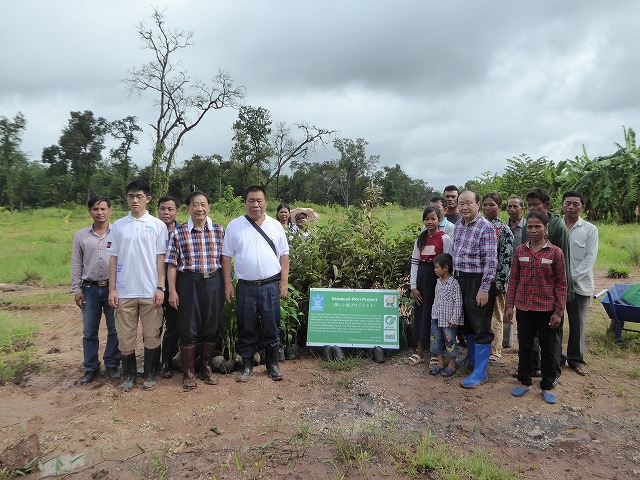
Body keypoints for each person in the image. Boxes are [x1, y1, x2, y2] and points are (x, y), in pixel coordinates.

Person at [221, 186, 290, 382]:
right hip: (245, 287)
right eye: (251, 201)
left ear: (266, 203)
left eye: (259, 200)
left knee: (271, 325)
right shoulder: (235, 226)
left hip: (270, 286)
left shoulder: (275, 225)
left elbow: (284, 255)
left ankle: (273, 365)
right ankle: (247, 367)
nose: (255, 205)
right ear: (245, 203)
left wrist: (283, 282)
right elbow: (226, 256)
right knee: (246, 326)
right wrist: (228, 284)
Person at [107, 179, 168, 391]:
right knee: (125, 336)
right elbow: (113, 259)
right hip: (124, 292)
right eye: (131, 196)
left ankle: (150, 373)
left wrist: (161, 287)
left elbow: (161, 259)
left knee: (152, 334)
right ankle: (129, 375)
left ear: (148, 199)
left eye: (139, 196)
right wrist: (112, 289)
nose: (135, 200)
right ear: (126, 198)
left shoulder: (158, 226)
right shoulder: (118, 226)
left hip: (150, 291)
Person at [506, 211, 567, 404]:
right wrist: (510, 306)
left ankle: (547, 385)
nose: (533, 230)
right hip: (524, 307)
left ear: (545, 229)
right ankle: (525, 382)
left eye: (537, 226)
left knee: (548, 348)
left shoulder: (555, 252)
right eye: (529, 227)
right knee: (525, 346)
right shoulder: (520, 252)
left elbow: (561, 284)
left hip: (547, 309)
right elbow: (514, 279)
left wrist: (558, 311)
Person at [166, 191, 225, 390]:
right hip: (189, 282)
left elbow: (225, 261)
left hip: (214, 281)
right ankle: (188, 372)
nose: (199, 208)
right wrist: (172, 291)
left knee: (211, 326)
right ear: (188, 208)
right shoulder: (179, 232)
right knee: (188, 328)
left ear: (209, 207)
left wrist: (226, 285)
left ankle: (206, 369)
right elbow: (172, 265)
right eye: (195, 205)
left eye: (203, 204)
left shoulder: (219, 230)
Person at [71, 196, 121, 385]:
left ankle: (112, 364)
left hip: (112, 287)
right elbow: (76, 264)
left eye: (103, 209)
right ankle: (91, 367)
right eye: (95, 209)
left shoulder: (118, 233)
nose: (99, 212)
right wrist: (76, 289)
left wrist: (118, 288)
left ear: (110, 210)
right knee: (89, 331)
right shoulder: (81, 236)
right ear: (89, 212)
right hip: (90, 289)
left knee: (114, 329)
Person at [523, 188, 572, 381]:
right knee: (532, 333)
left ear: (547, 205)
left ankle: (553, 370)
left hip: (552, 292)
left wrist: (562, 296)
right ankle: (533, 366)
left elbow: (564, 263)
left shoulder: (558, 226)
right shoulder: (531, 224)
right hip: (533, 292)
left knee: (553, 332)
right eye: (530, 205)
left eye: (536, 204)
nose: (532, 208)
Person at [452, 190, 497, 388]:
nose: (464, 207)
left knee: (481, 326)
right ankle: (471, 359)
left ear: (478, 204)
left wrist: (484, 288)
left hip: (478, 282)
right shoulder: (458, 226)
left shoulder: (485, 228)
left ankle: (480, 372)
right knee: (468, 324)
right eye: (461, 203)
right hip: (460, 279)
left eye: (468, 203)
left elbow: (490, 262)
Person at [408, 206, 453, 367]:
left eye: (433, 218)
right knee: (421, 314)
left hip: (438, 282)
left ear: (439, 220)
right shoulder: (420, 239)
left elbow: (448, 263)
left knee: (436, 317)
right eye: (426, 219)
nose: (429, 222)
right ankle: (419, 352)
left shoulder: (445, 239)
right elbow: (414, 263)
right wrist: (413, 286)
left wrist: (446, 286)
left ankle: (436, 353)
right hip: (422, 280)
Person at [562, 191, 598, 376]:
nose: (571, 207)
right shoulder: (554, 226)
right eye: (568, 203)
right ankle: (556, 357)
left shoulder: (590, 229)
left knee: (578, 324)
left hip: (580, 286)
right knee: (555, 322)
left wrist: (571, 277)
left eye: (576, 204)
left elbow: (590, 257)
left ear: (582, 207)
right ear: (562, 205)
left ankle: (576, 360)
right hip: (557, 286)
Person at [481, 193, 513, 363]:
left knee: (497, 314)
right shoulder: (479, 226)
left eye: (492, 205)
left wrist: (500, 282)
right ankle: (483, 347)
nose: (487, 208)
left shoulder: (504, 230)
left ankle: (496, 349)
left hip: (497, 281)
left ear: (500, 207)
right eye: (485, 204)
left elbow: (506, 259)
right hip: (480, 280)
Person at [157, 196, 181, 378]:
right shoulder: (151, 231)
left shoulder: (184, 232)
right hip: (154, 285)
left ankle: (167, 361)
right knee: (153, 326)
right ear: (157, 210)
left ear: (177, 212)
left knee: (173, 325)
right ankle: (152, 361)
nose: (166, 213)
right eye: (163, 209)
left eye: (170, 209)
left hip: (177, 285)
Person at [429, 253, 463, 377]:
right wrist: (433, 314)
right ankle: (441, 363)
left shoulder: (454, 284)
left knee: (450, 341)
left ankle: (452, 365)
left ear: (446, 268)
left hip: (448, 320)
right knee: (436, 340)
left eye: (437, 267)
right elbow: (436, 299)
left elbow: (458, 302)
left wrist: (455, 318)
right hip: (436, 318)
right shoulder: (438, 282)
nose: (435, 269)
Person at [503, 195, 525, 348]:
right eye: (509, 206)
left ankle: (524, 342)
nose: (511, 209)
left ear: (522, 209)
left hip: (524, 272)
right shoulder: (503, 227)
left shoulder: (528, 227)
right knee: (506, 306)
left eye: (515, 206)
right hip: (506, 272)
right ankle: (506, 341)